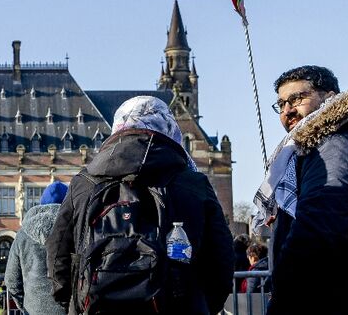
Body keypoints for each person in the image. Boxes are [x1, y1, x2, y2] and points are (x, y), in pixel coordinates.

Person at [46, 96, 234, 315]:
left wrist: (74, 303)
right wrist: (202, 305)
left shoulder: (84, 183)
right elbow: (221, 258)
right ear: (170, 129)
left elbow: (57, 252)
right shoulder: (195, 184)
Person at [254, 66, 348, 315]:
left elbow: (319, 229)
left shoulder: (334, 144)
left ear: (329, 96)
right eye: (280, 104)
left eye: (297, 98)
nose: (287, 110)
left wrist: (283, 299)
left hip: (338, 298)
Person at [5, 182, 69, 315]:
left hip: (34, 308)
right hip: (69, 308)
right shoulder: (76, 229)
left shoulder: (23, 234)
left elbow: (11, 280)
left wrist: (26, 305)